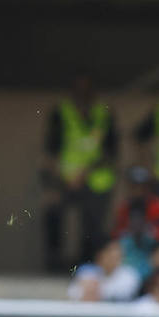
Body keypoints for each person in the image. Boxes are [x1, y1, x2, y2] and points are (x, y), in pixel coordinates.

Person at [40, 74, 117, 272]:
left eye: (87, 89)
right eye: (78, 89)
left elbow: (112, 152)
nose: (82, 94)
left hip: (96, 179)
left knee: (92, 225)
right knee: (53, 212)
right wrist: (55, 181)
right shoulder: (62, 111)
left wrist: (84, 173)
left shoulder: (104, 112)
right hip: (65, 179)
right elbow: (51, 150)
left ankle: (86, 267)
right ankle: (55, 265)